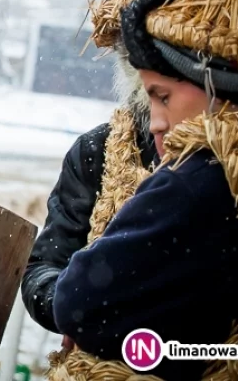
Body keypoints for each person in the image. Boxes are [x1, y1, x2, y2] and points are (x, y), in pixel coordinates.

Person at [49, 0, 238, 380]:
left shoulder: (196, 181)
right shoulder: (96, 151)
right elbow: (50, 264)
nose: (156, 122)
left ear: (214, 82)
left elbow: (76, 301)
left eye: (162, 97)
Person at [21, 49, 157, 336]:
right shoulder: (96, 151)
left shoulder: (234, 163)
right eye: (159, 95)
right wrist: (75, 308)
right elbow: (44, 266)